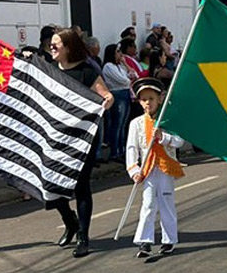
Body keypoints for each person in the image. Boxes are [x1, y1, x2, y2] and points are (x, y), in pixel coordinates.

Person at [48, 28, 114, 258]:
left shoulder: (86, 71)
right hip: (55, 139)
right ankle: (70, 221)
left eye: (56, 45)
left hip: (81, 140)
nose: (52, 48)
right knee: (50, 186)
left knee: (80, 186)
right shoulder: (47, 70)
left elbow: (107, 96)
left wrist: (104, 103)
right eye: (51, 44)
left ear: (69, 47)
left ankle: (83, 236)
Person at [127, 77, 185, 257]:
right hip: (148, 169)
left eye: (151, 98)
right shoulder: (136, 123)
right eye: (144, 99)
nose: (147, 103)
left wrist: (163, 137)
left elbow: (179, 141)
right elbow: (131, 148)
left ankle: (169, 240)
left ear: (160, 99)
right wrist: (134, 170)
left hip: (166, 167)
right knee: (148, 203)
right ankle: (144, 241)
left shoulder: (168, 121)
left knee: (166, 202)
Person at [102, 44, 133, 163]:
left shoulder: (120, 66)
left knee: (123, 124)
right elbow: (124, 80)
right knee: (117, 123)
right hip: (117, 94)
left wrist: (125, 63)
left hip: (125, 93)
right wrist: (129, 79)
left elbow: (133, 75)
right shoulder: (108, 67)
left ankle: (121, 149)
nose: (120, 54)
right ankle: (115, 151)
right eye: (118, 52)